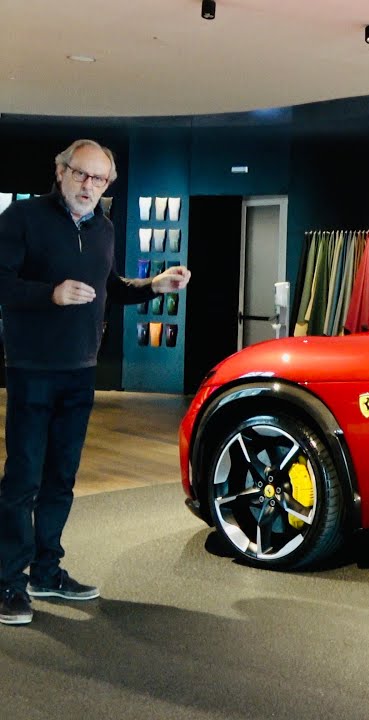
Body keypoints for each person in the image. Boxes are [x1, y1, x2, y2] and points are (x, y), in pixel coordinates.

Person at [0, 139, 191, 625]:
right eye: (81, 174)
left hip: (81, 371)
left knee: (61, 478)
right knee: (23, 478)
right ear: (60, 171)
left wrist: (154, 285)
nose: (89, 185)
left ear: (108, 184)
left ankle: (47, 571)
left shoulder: (103, 228)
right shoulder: (23, 218)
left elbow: (111, 287)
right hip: (32, 369)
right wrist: (51, 294)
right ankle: (8, 582)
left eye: (99, 179)